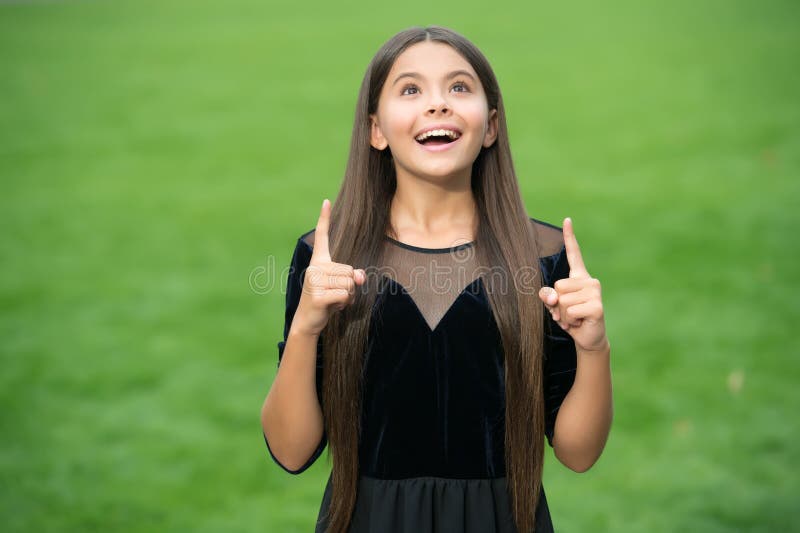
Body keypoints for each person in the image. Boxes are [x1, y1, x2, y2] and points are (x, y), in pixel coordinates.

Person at [260, 25, 613, 533]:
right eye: (410, 89)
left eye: (459, 88)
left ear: (490, 126)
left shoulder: (543, 256)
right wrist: (305, 328)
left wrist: (594, 348)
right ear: (376, 129)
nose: (437, 104)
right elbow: (291, 451)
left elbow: (579, 453)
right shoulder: (327, 258)